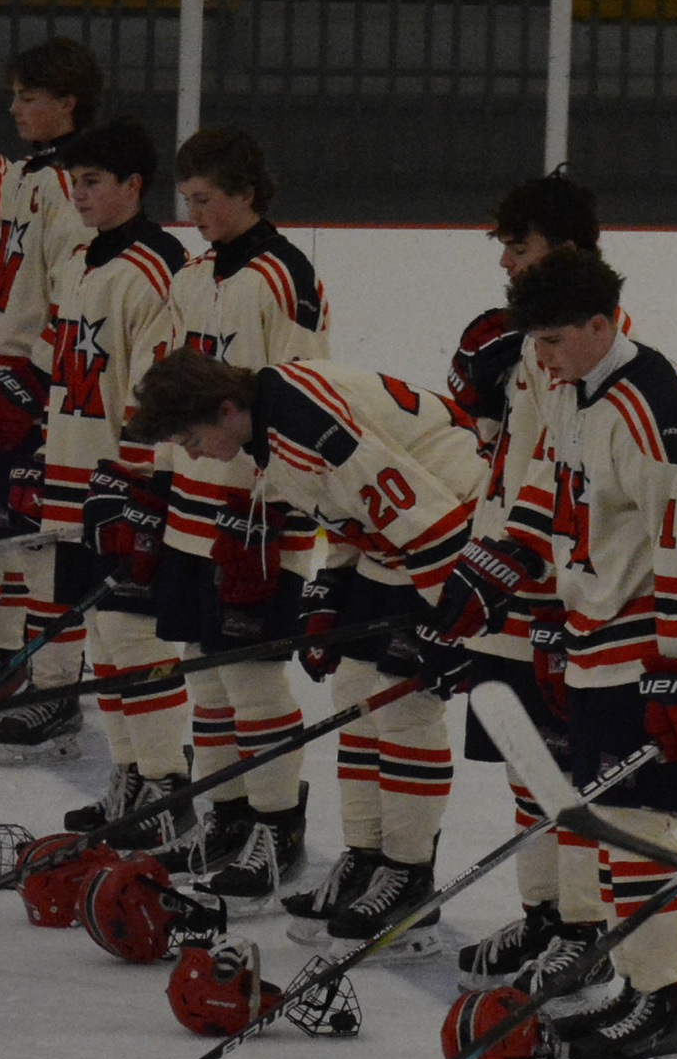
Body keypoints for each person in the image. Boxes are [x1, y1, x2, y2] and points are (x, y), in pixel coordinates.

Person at [436, 243, 677, 1059]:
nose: (540, 356)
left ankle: (665, 1006)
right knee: (612, 824)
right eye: (534, 339)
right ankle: (645, 989)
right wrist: (499, 561)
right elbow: (552, 479)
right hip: (603, 635)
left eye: (553, 338)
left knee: (641, 827)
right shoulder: (578, 386)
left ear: (602, 324)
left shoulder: (655, 405)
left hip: (660, 643)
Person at [119, 350, 489, 950]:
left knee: (403, 704)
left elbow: (421, 511)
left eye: (192, 439)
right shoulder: (270, 425)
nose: (194, 455)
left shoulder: (302, 422)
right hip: (397, 542)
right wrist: (332, 588)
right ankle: (367, 857)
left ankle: (408, 875)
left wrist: (452, 621)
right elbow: (354, 505)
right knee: (355, 690)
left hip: (449, 530)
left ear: (225, 409)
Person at [154, 127, 328, 905]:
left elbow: (305, 394)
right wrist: (153, 482)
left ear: (247, 194)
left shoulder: (285, 275)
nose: (194, 215)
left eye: (206, 200)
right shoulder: (192, 276)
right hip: (193, 502)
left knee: (252, 676)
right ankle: (227, 815)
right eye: (187, 200)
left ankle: (276, 825)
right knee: (207, 672)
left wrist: (277, 505)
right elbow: (167, 385)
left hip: (257, 507)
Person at [443, 171, 605, 985]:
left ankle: (584, 925)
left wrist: (530, 583)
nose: (505, 261)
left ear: (565, 250)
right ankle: (546, 914)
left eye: (520, 245)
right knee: (524, 760)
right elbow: (498, 454)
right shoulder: (521, 341)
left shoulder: (582, 348)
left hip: (551, 580)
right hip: (509, 568)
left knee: (566, 768)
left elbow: (565, 470)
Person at [33, 116, 190, 844]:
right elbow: (63, 374)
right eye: (74, 181)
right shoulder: (78, 261)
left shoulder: (158, 269)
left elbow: (158, 397)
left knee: (136, 642)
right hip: (74, 483)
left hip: (123, 488)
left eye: (93, 181)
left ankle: (165, 789)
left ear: (133, 185)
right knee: (102, 636)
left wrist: (136, 487)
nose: (79, 194)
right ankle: (128, 778)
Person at [0, 36, 91, 756]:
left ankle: (55, 684)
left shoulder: (71, 185)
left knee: (39, 539)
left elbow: (75, 300)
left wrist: (28, 385)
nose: (15, 108)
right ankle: (4, 658)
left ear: (68, 103)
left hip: (30, 386)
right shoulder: (25, 176)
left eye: (29, 97)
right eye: (15, 95)